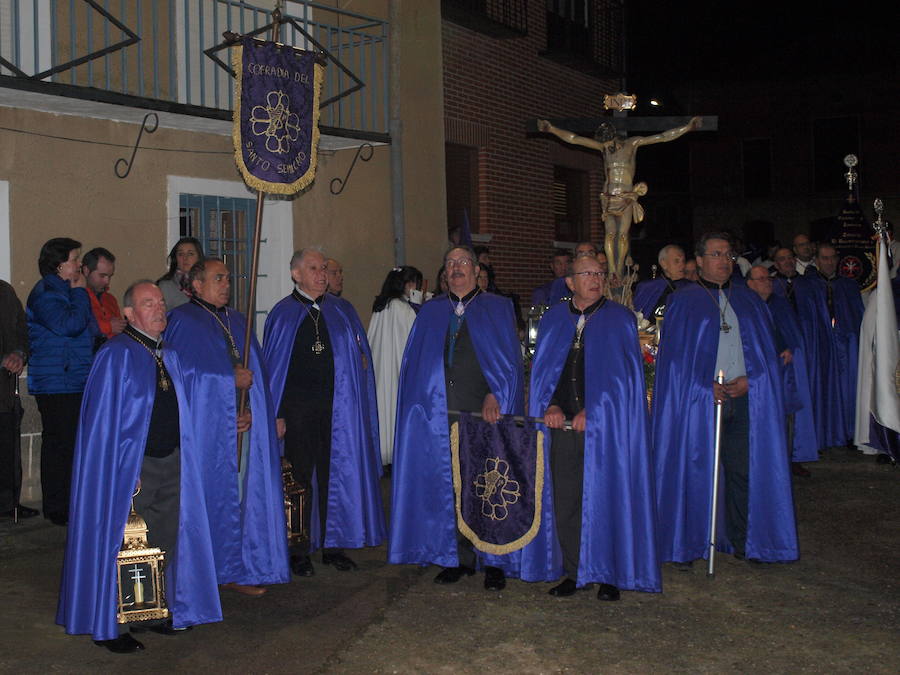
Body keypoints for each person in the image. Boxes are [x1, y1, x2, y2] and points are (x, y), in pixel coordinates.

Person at [57, 281, 224, 653]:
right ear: (130, 314)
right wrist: (121, 467)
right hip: (132, 468)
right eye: (149, 303)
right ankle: (113, 623)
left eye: (161, 302)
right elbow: (102, 423)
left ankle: (151, 611)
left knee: (163, 540)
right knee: (122, 544)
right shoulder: (115, 355)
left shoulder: (170, 355)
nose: (159, 308)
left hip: (172, 461)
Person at [653, 232, 798, 565]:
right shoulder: (684, 301)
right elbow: (673, 361)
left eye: (728, 255)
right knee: (694, 469)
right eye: (716, 254)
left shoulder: (749, 300)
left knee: (743, 470)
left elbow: (766, 353)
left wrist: (752, 380)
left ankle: (744, 540)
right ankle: (688, 544)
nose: (724, 261)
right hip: (699, 401)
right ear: (700, 260)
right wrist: (700, 385)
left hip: (744, 398)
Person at [389, 245, 524, 591]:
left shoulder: (497, 307)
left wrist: (496, 392)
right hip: (441, 414)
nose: (456, 267)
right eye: (450, 263)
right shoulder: (431, 311)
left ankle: (493, 560)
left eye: (463, 262)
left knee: (488, 485)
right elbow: (415, 365)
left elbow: (509, 361)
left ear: (477, 270)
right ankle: (458, 557)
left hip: (483, 412)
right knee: (450, 486)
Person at [529, 255, 660, 600]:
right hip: (562, 426)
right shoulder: (554, 319)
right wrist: (550, 404)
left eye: (599, 273)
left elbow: (624, 380)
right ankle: (575, 572)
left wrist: (596, 409)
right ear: (570, 282)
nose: (596, 278)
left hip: (607, 430)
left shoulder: (619, 319)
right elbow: (545, 372)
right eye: (587, 273)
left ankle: (608, 574)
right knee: (566, 500)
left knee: (606, 498)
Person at [165, 258, 289, 596]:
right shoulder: (182, 321)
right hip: (208, 434)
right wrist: (226, 380)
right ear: (197, 285)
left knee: (241, 498)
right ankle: (205, 571)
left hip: (241, 426)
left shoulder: (237, 320)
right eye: (218, 278)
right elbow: (181, 376)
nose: (227, 284)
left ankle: (236, 567)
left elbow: (257, 375)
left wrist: (253, 411)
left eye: (228, 278)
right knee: (210, 500)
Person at [263, 248, 385, 578]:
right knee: (299, 480)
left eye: (323, 268)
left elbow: (357, 358)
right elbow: (274, 371)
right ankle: (298, 550)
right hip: (298, 413)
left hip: (338, 411)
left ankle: (334, 546)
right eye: (314, 269)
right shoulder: (283, 314)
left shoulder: (341, 311)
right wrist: (276, 414)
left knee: (336, 475)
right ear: (296, 274)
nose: (322, 274)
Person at [538, 117, 701, 280]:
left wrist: (687, 128)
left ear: (614, 137)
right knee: (610, 235)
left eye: (609, 142)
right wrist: (551, 129)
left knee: (622, 235)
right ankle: (612, 270)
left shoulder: (632, 143)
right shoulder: (604, 147)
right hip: (609, 197)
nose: (607, 146)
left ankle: (619, 267)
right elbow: (575, 139)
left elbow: (662, 137)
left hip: (626, 196)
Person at [26, 238, 98, 525]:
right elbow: (70, 326)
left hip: (73, 378)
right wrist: (80, 292)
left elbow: (90, 328)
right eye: (74, 259)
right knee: (60, 446)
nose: (80, 264)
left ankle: (72, 503)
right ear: (58, 265)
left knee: (70, 445)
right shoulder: (46, 294)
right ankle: (58, 508)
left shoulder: (66, 292)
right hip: (56, 382)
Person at [746, 266, 818, 477]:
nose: (767, 282)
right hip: (756, 371)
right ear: (749, 283)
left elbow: (791, 332)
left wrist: (788, 347)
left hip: (783, 370)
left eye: (768, 278)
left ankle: (788, 458)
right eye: (761, 279)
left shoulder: (780, 304)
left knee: (787, 414)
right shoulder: (746, 305)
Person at [770, 247, 841, 449]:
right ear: (775, 264)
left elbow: (821, 317)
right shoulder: (771, 285)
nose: (788, 262)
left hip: (812, 346)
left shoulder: (809, 284)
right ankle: (793, 445)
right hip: (785, 349)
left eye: (790, 258)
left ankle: (817, 438)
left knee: (814, 389)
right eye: (782, 259)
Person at [368, 266, 422, 469]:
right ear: (406, 284)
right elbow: (415, 338)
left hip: (381, 369)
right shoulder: (403, 308)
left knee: (384, 409)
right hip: (398, 370)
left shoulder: (381, 306)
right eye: (413, 283)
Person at [810, 243, 865, 444]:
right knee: (822, 387)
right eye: (825, 258)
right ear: (817, 260)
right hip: (820, 346)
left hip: (845, 345)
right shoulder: (808, 285)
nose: (829, 262)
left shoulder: (849, 285)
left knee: (847, 387)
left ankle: (849, 432)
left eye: (833, 258)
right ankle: (822, 433)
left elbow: (857, 315)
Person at [0, 280, 34, 519]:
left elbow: (22, 330)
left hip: (5, 387)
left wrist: (19, 354)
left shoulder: (5, 292)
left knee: (7, 448)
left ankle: (8, 503)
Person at [632, 244, 693, 318]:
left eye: (683, 261)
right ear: (664, 264)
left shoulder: (692, 289)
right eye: (677, 261)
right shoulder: (647, 287)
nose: (682, 266)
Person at [81, 247, 126, 342]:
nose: (107, 281)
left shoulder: (110, 299)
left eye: (110, 276)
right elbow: (74, 328)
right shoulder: (74, 297)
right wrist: (108, 327)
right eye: (102, 276)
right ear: (86, 271)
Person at [157, 237, 204, 311]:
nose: (185, 258)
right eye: (181, 254)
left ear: (199, 257)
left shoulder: (207, 283)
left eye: (190, 254)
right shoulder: (166, 286)